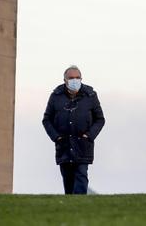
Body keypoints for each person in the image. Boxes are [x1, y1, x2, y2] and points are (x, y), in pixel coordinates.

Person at [42, 65, 105, 194]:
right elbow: (47, 119)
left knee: (81, 175)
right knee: (68, 179)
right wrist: (56, 137)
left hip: (83, 145)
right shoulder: (56, 96)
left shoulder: (90, 95)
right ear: (65, 80)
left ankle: (80, 205)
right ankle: (70, 207)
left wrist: (89, 135)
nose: (74, 80)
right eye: (71, 78)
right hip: (64, 145)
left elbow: (100, 119)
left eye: (77, 78)